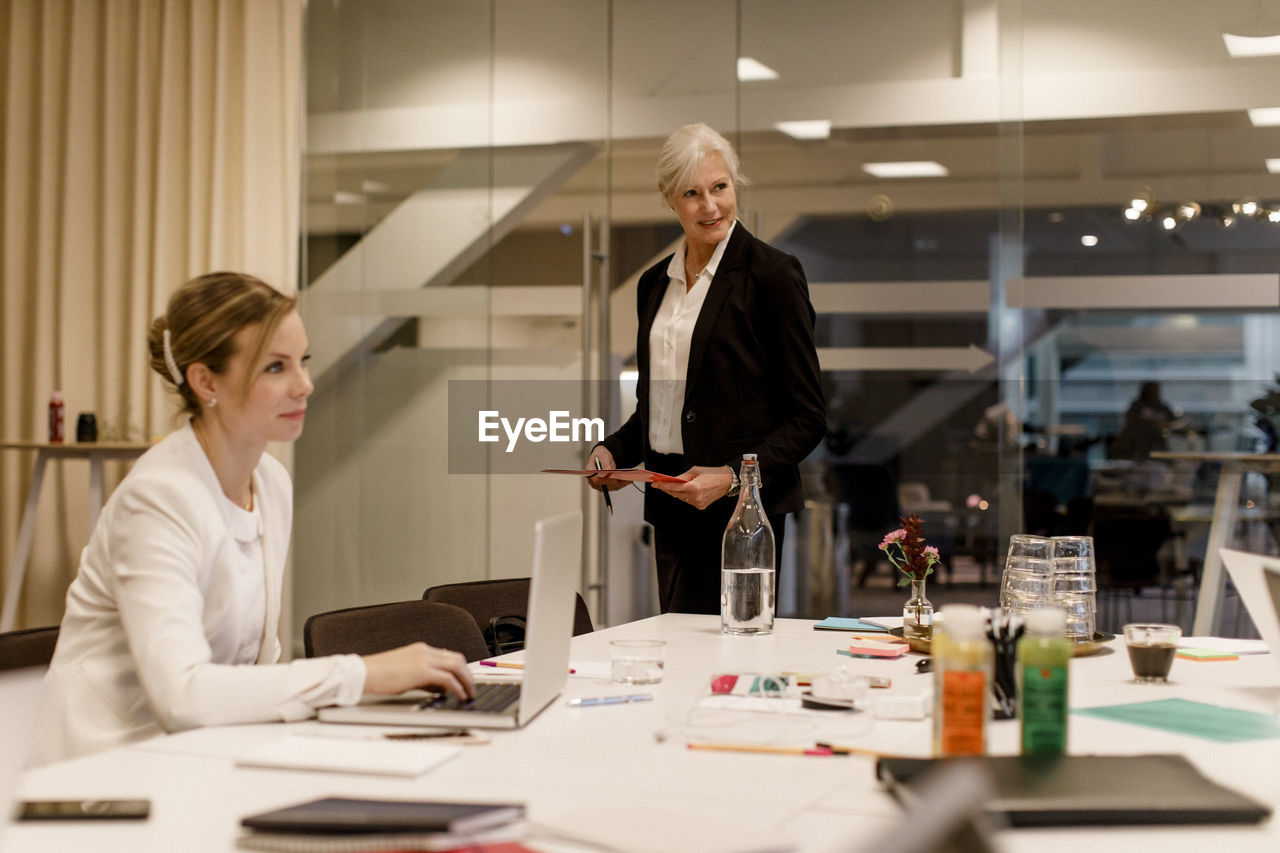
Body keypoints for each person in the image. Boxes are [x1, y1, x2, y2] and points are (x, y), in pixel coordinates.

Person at [33, 272, 474, 764]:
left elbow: (254, 670)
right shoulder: (158, 498)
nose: (304, 384)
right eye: (275, 368)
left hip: (198, 754)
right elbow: (182, 696)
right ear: (205, 381)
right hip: (100, 775)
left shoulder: (270, 482)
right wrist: (361, 675)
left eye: (302, 361)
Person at [588, 123, 826, 614]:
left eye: (720, 187)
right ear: (668, 198)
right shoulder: (654, 284)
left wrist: (735, 477)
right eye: (692, 194)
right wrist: (612, 450)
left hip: (744, 514)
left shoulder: (773, 276)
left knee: (735, 662)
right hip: (671, 506)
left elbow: (807, 418)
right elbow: (658, 409)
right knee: (678, 656)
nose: (710, 206)